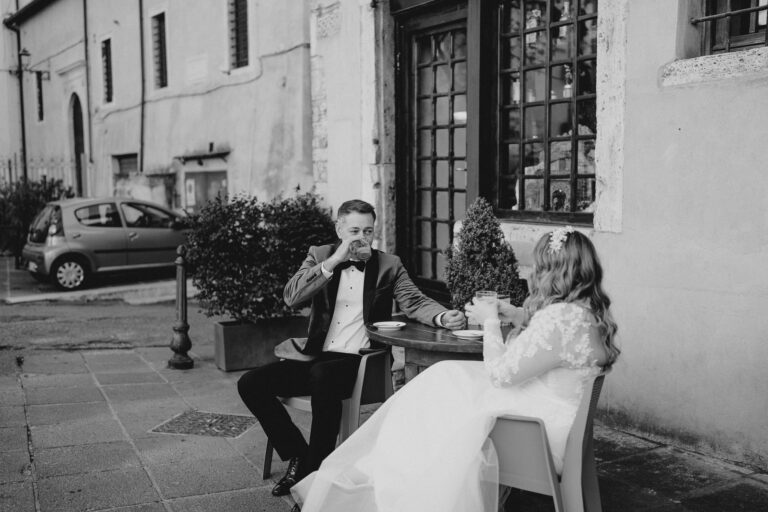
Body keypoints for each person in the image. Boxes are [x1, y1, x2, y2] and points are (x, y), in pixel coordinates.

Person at [291, 226, 620, 512]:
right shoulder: (582, 311)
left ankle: (398, 480)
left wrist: (491, 321)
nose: (533, 270)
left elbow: (500, 374)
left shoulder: (558, 318)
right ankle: (398, 471)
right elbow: (553, 343)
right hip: (557, 417)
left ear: (553, 271)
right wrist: (517, 315)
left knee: (439, 406)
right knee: (445, 378)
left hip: (535, 433)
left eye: (538, 265)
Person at [237, 199, 465, 499]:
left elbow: (415, 301)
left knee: (322, 376)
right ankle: (301, 458)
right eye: (354, 230)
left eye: (368, 231)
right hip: (316, 355)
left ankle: (314, 478)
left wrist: (442, 316)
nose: (362, 238)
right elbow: (291, 297)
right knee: (250, 383)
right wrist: (332, 263)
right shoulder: (320, 255)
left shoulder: (389, 265)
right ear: (339, 229)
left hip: (359, 362)